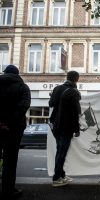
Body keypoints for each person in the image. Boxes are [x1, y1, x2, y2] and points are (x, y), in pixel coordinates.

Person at [0, 65, 31, 198]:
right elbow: (23, 107)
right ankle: (8, 190)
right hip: (14, 129)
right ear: (18, 74)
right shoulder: (23, 87)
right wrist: (9, 123)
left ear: (5, 72)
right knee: (10, 161)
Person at [49, 71, 81, 187]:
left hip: (56, 125)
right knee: (62, 152)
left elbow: (51, 104)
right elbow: (75, 113)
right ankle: (57, 178)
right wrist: (77, 129)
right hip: (66, 126)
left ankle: (61, 175)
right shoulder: (74, 92)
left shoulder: (57, 89)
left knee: (60, 150)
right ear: (76, 79)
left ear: (67, 77)